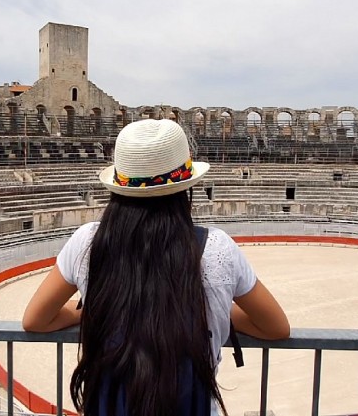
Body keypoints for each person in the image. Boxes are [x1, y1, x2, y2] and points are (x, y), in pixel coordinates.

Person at [23, 119, 290, 416]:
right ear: (184, 189)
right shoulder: (218, 248)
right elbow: (275, 326)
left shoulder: (87, 241)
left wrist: (94, 308)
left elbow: (36, 320)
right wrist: (213, 308)